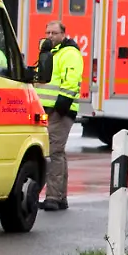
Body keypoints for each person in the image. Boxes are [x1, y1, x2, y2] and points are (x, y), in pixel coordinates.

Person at [37, 21, 83, 211]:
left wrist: (61, 106)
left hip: (59, 109)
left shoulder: (70, 53)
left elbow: (71, 81)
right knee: (58, 153)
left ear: (63, 34)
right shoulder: (51, 52)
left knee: (54, 152)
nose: (49, 36)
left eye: (54, 33)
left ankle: (53, 198)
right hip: (48, 108)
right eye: (47, 32)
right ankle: (60, 197)